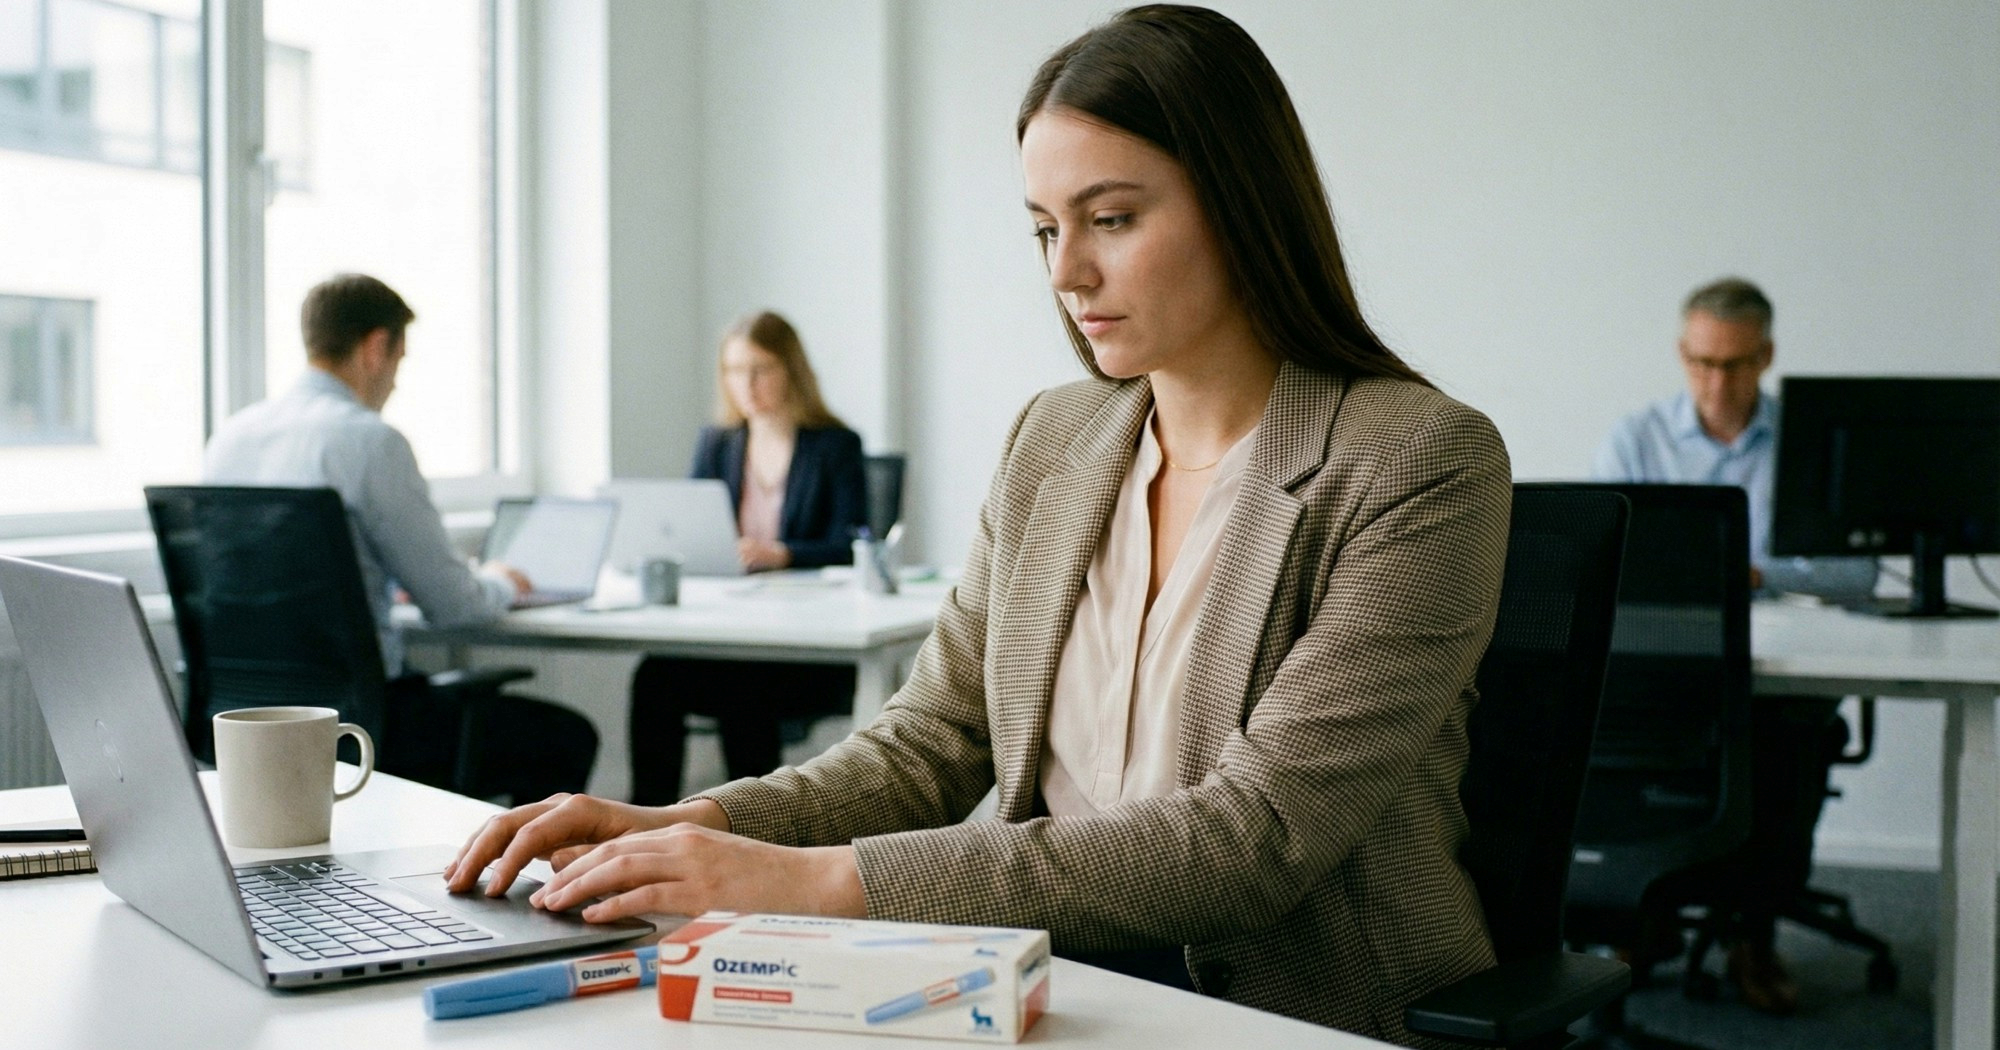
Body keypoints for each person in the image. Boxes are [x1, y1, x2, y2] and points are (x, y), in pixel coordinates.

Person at [447, 8, 1511, 1045]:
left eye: (1111, 219)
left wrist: (822, 882)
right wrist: (696, 824)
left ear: (1241, 205)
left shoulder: (1417, 460)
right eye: (1046, 228)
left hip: (1288, 1006)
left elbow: (1253, 840)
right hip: (1033, 976)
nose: (1064, 273)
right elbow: (932, 741)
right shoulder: (1053, 440)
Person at [1592, 276, 1878, 1015]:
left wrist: (1753, 571)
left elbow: (1858, 569)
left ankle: (1756, 934)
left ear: (1766, 357)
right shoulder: (1637, 437)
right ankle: (1639, 915)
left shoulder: (1801, 441)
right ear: (1682, 355)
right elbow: (1604, 552)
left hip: (1783, 670)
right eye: (1701, 363)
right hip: (1665, 668)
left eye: (1735, 365)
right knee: (1616, 735)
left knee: (1789, 744)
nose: (1716, 382)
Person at [205, 272, 596, 801]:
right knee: (566, 738)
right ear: (376, 346)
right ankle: (519, 878)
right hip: (359, 726)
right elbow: (458, 608)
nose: (395, 380)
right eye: (399, 361)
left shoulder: (230, 438)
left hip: (247, 720)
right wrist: (501, 581)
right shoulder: (370, 442)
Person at [626, 311, 867, 805]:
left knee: (744, 688)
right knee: (655, 676)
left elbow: (852, 543)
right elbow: (694, 531)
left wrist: (781, 554)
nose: (747, 384)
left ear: (791, 370)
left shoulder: (835, 445)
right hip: (730, 628)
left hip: (805, 644)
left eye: (761, 368)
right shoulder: (718, 444)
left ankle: (753, 829)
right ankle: (645, 818)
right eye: (735, 371)